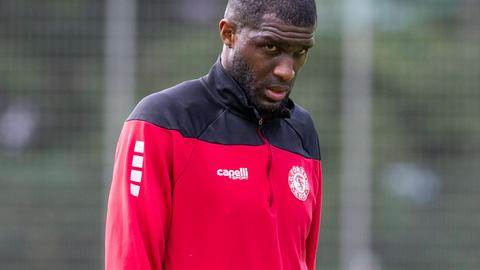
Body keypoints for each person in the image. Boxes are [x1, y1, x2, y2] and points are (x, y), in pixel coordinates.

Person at [105, 0, 322, 269]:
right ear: (228, 33)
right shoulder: (161, 121)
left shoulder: (302, 132)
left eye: (300, 51)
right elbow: (131, 259)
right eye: (270, 47)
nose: (286, 71)